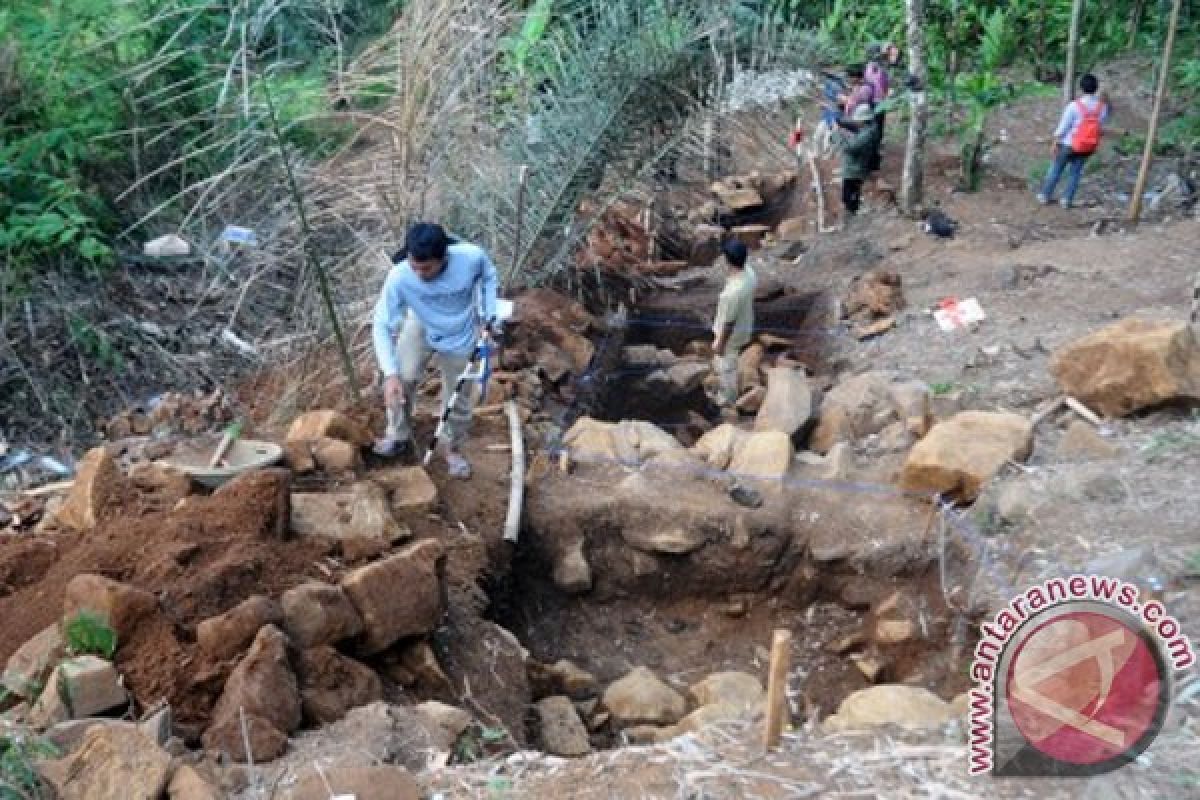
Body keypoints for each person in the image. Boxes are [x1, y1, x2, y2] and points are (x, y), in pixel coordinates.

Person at [371, 222, 500, 479]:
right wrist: (390, 374)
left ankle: (453, 448)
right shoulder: (399, 275)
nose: (419, 273)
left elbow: (489, 276)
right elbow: (381, 324)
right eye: (414, 265)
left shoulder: (471, 257)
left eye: (427, 267)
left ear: (444, 258)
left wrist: (490, 314)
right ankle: (398, 435)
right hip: (419, 322)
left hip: (459, 328)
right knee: (403, 378)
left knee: (459, 392)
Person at [1038, 73, 1112, 209]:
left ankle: (1045, 195)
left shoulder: (1074, 106)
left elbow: (1063, 127)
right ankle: (1067, 200)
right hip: (1087, 146)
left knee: (1056, 170)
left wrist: (1055, 141)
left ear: (1081, 88)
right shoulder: (1102, 107)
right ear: (1096, 88)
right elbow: (1101, 126)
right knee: (1075, 173)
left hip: (1068, 144)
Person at [711, 239, 757, 412]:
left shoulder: (731, 294)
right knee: (729, 362)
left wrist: (720, 344)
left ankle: (728, 402)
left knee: (727, 367)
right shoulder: (750, 274)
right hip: (745, 324)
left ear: (727, 260)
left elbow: (728, 323)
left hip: (732, 335)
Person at [837, 104, 881, 218]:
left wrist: (838, 135)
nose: (856, 122)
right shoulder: (870, 128)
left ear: (864, 120)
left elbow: (850, 148)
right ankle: (852, 211)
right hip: (856, 167)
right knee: (850, 193)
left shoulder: (866, 134)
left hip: (855, 169)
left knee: (849, 195)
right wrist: (840, 121)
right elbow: (853, 126)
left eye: (858, 120)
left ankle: (852, 214)